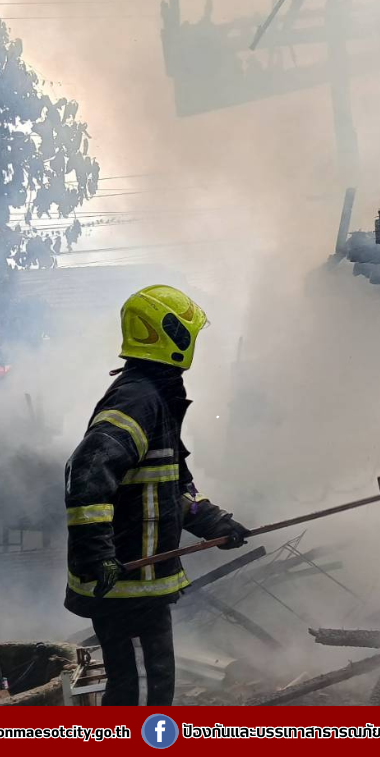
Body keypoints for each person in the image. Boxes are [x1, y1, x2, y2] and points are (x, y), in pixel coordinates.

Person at [64, 285, 249, 706]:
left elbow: (170, 488)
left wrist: (215, 523)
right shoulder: (138, 400)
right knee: (141, 689)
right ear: (170, 336)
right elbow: (87, 476)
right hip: (125, 581)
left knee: (149, 683)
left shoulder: (156, 398)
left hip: (140, 582)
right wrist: (100, 556)